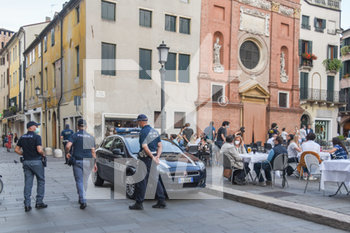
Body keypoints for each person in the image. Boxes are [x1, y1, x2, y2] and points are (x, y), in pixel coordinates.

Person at [129, 114, 166, 210]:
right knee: (155, 179)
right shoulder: (154, 131)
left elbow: (145, 146)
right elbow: (160, 145)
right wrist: (157, 156)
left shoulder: (143, 132)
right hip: (153, 158)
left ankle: (139, 203)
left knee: (141, 180)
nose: (138, 123)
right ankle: (161, 200)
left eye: (138, 122)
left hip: (145, 159)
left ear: (141, 122)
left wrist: (152, 157)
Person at [14, 121, 47, 212]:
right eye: (36, 126)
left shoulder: (22, 137)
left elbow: (16, 149)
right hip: (36, 161)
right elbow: (39, 149)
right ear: (31, 127)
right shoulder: (37, 137)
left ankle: (27, 204)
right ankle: (39, 202)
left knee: (28, 183)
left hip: (26, 162)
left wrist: (23, 154)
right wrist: (43, 154)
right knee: (41, 180)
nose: (37, 128)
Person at [65, 119, 97, 210]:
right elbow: (93, 151)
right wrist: (95, 163)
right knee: (85, 181)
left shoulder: (75, 135)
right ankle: (83, 197)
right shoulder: (91, 137)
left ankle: (82, 199)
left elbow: (68, 146)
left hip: (77, 161)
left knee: (79, 181)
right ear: (86, 127)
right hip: (88, 161)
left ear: (78, 127)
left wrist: (67, 153)